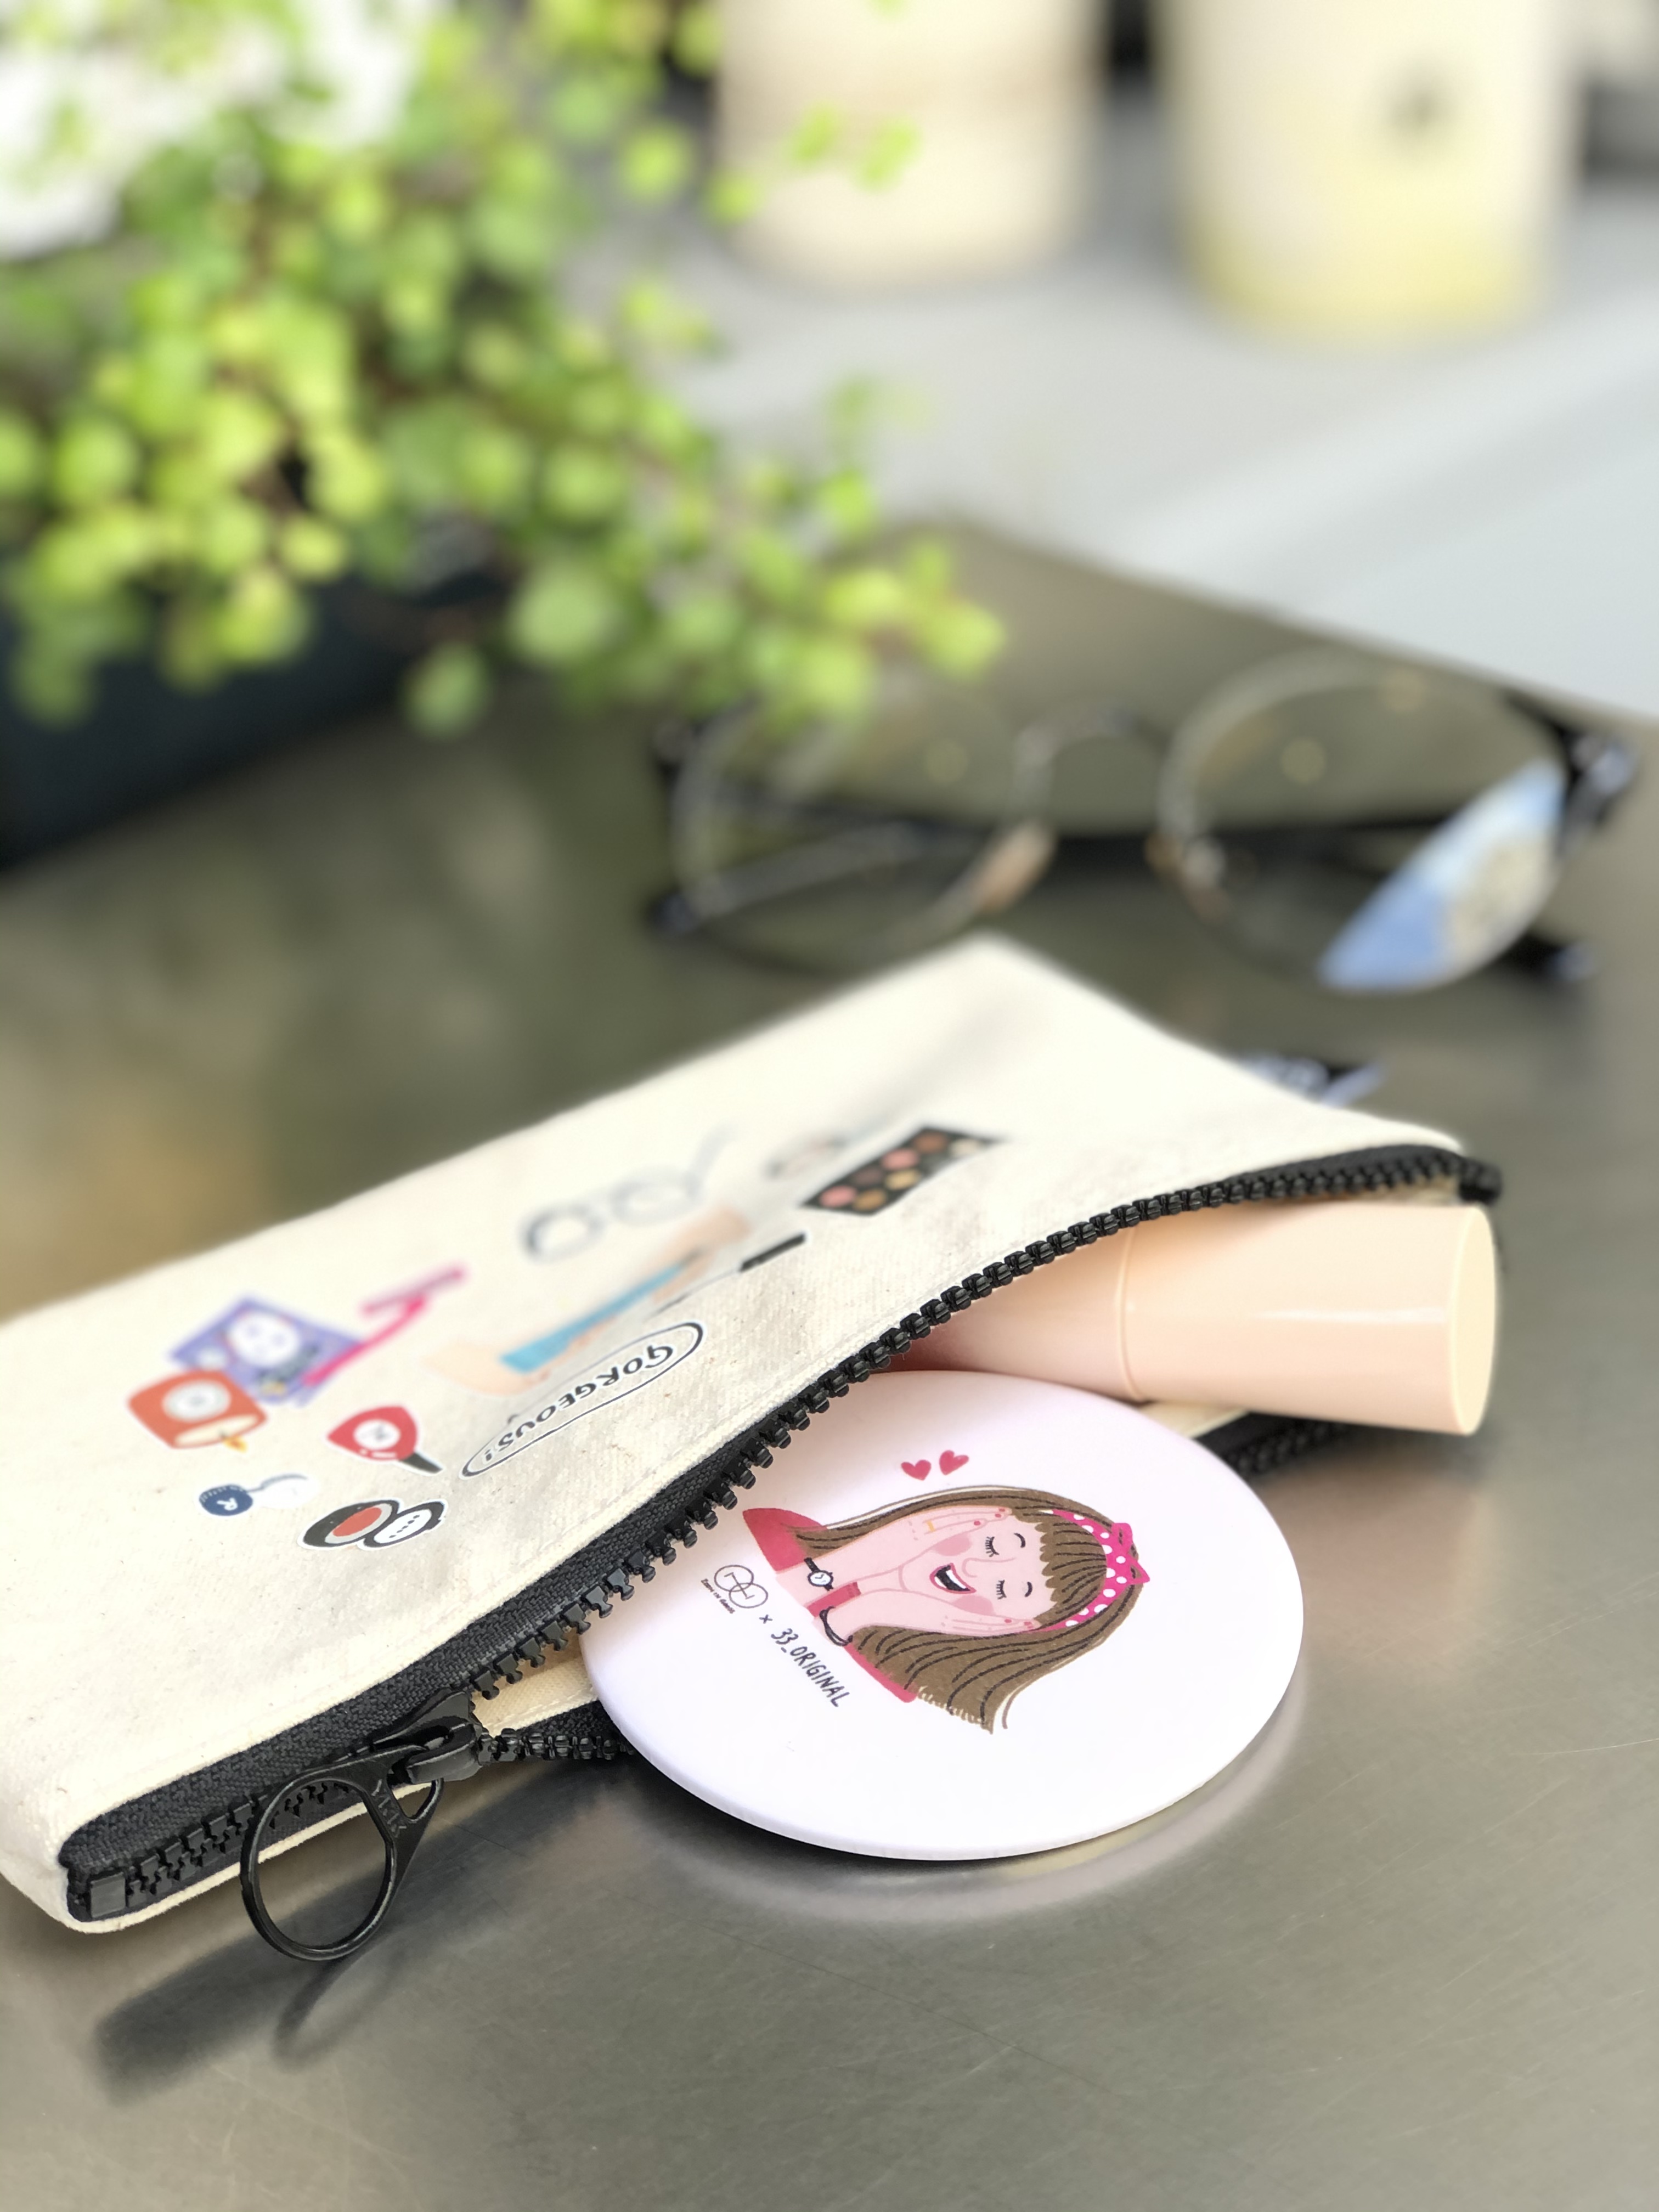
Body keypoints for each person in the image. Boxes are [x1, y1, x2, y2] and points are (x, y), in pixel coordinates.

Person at [743, 1485, 1148, 1733]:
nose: (973, 1569)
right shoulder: (782, 1527)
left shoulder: (898, 1690)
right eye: (993, 1546)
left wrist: (864, 1612)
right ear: (975, 1519)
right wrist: (838, 1568)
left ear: (1013, 1626)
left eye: (1006, 1589)